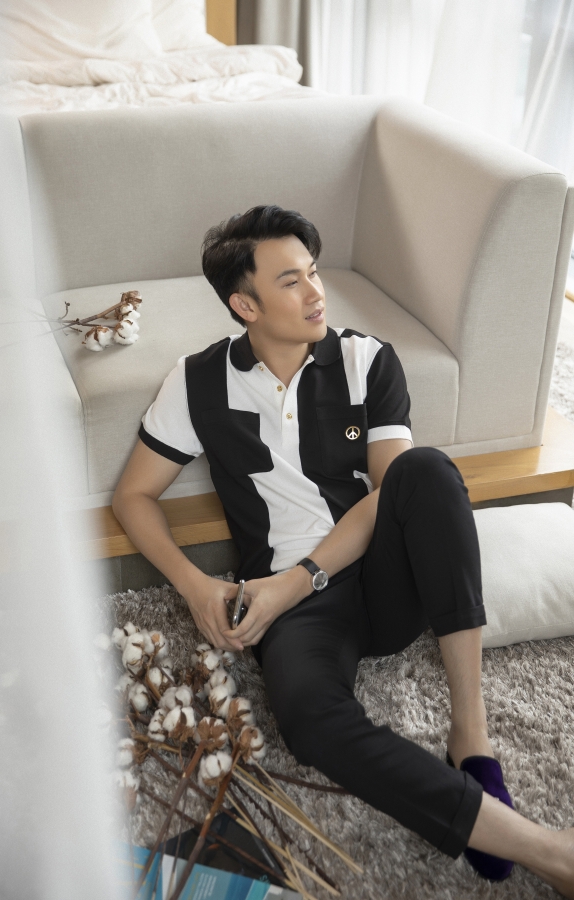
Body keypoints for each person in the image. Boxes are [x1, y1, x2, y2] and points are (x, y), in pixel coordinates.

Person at [113, 205, 574, 895]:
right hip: (292, 611)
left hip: (376, 579)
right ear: (244, 304)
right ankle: (546, 849)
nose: (316, 291)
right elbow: (133, 496)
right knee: (308, 724)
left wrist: (298, 578)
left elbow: (394, 494)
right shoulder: (197, 381)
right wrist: (194, 585)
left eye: (314, 272)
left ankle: (471, 736)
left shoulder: (366, 360)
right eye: (291, 281)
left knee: (425, 470)